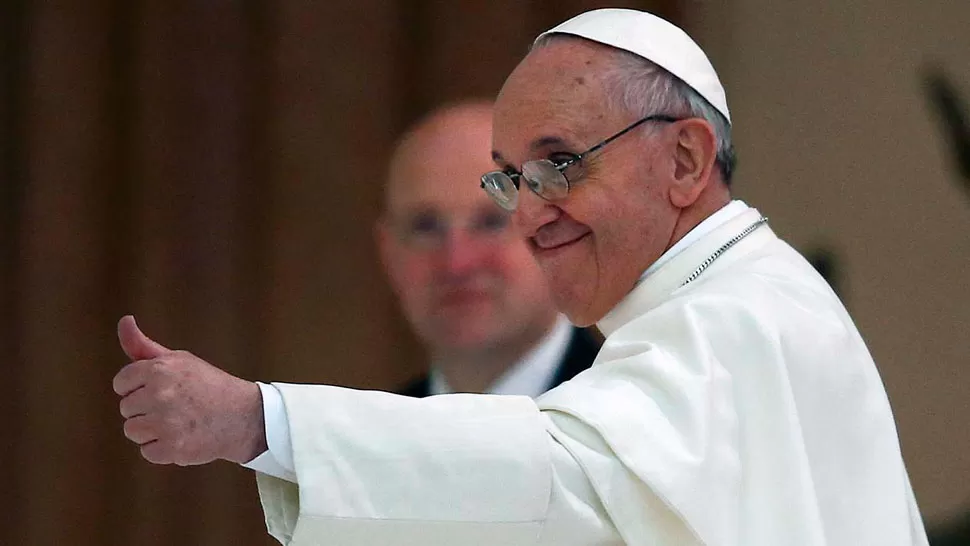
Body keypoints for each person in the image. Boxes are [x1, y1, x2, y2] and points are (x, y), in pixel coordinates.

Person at [112, 8, 929, 545]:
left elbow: (563, 476)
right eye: (513, 178)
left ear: (685, 158)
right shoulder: (720, 303)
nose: (530, 213)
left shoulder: (740, 318)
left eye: (561, 165)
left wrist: (261, 422)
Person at [376, 101, 599, 398]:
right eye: (426, 228)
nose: (458, 263)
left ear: (559, 231)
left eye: (491, 222)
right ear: (389, 252)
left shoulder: (648, 425)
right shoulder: (374, 436)